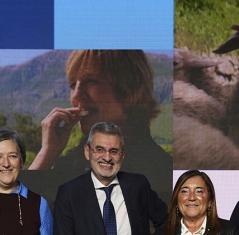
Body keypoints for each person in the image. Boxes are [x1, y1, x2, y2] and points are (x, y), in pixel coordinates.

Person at [29, 50, 172, 194]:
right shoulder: (73, 165)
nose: (76, 96)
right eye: (73, 85)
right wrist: (47, 153)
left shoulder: (162, 173)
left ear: (129, 90)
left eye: (91, 81)